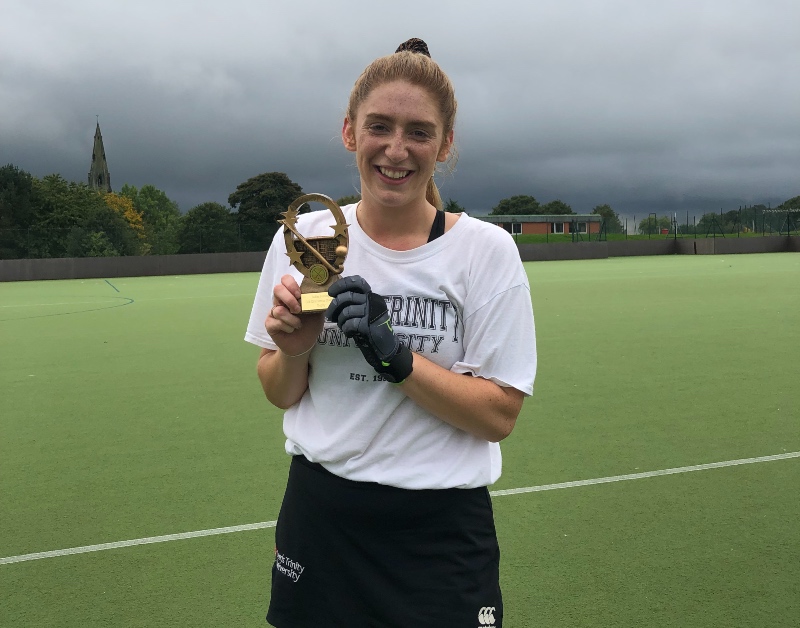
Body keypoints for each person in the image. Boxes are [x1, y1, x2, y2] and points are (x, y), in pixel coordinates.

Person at [245, 38, 536, 628]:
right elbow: (278, 390)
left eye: (419, 132)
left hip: (440, 536)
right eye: (379, 126)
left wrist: (394, 355)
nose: (396, 150)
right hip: (322, 520)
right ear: (349, 131)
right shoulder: (307, 237)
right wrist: (295, 350)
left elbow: (498, 415)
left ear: (445, 144)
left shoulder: (485, 251)